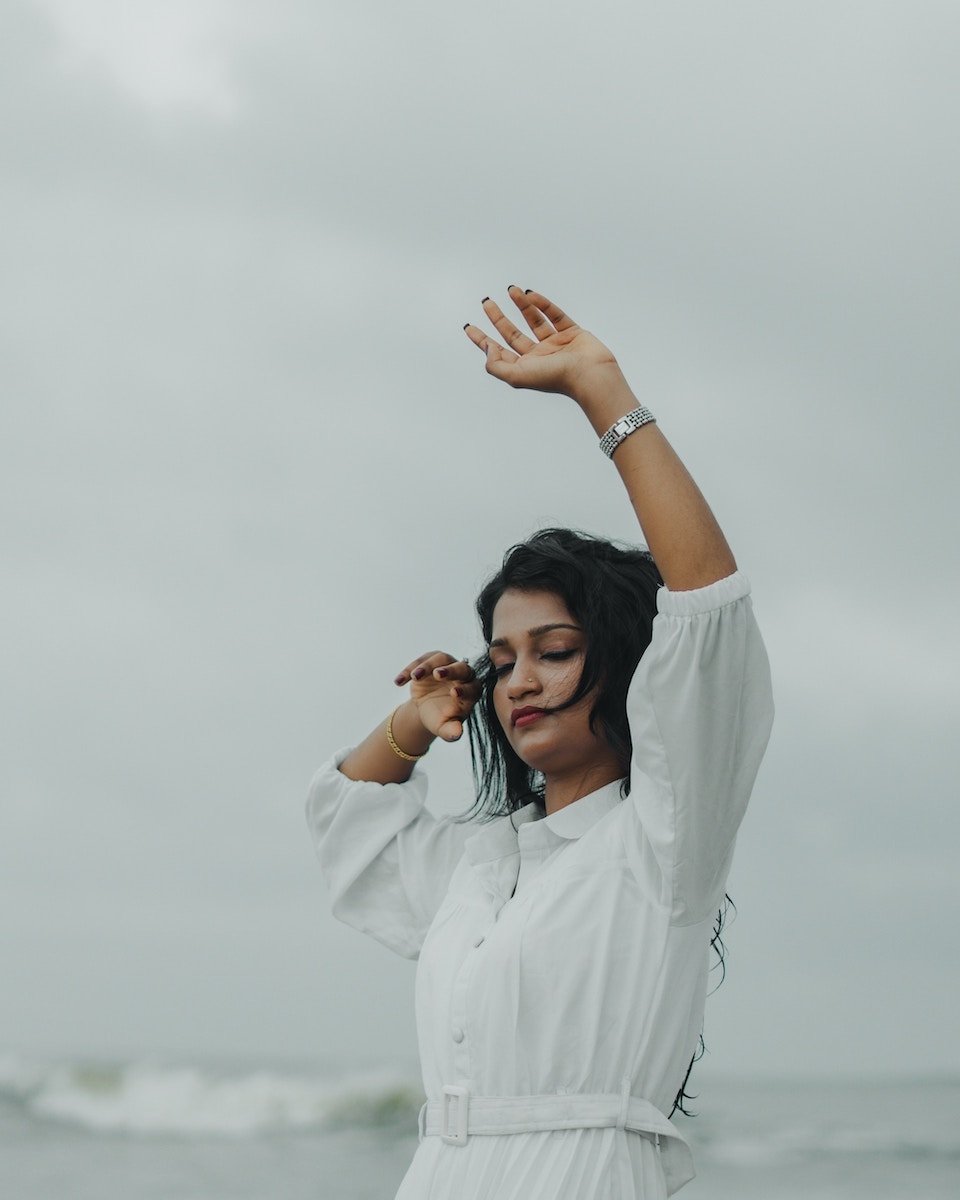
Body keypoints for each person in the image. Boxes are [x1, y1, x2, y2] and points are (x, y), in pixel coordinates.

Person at [305, 286, 774, 1198]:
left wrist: (600, 389)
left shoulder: (663, 841)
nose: (519, 681)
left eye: (555, 652)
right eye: (502, 660)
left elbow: (710, 610)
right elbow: (350, 827)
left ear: (634, 665)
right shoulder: (480, 869)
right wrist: (412, 721)